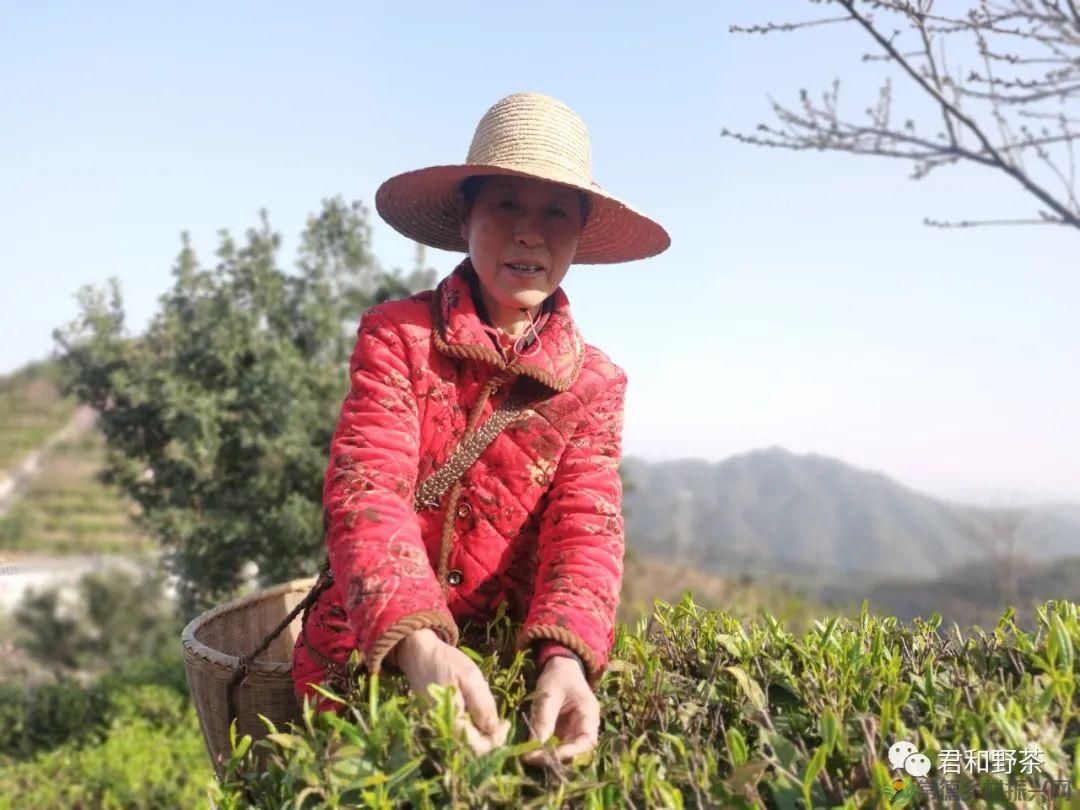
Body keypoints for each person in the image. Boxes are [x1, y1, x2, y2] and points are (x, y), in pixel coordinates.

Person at [292, 92, 670, 765]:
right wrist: (417, 642)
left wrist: (564, 657)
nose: (530, 231)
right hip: (365, 666)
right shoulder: (399, 337)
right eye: (507, 205)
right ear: (466, 216)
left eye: (556, 210)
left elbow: (588, 525)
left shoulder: (595, 385)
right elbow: (366, 488)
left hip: (505, 681)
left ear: (580, 233)